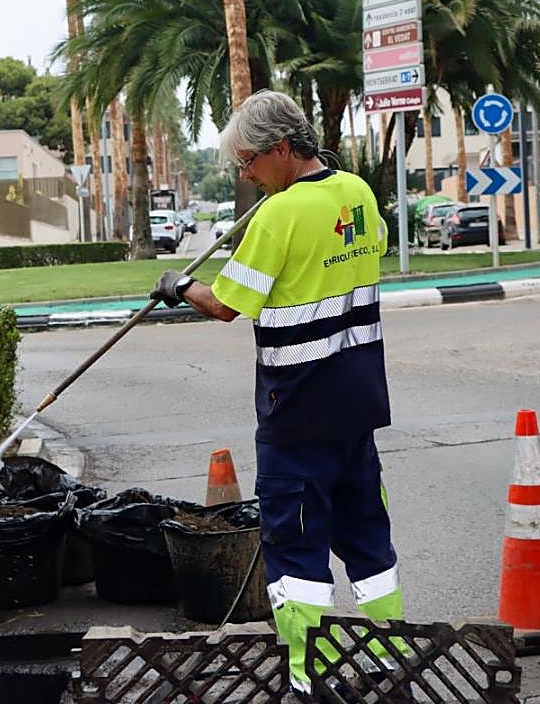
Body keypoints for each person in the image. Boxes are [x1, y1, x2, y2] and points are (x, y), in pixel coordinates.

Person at [151, 90, 402, 702]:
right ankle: (389, 660)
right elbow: (370, 246)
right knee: (368, 536)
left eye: (249, 161)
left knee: (295, 546)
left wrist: (180, 286)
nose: (245, 174)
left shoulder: (277, 216)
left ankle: (308, 676)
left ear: (283, 150)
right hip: (357, 404)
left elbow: (227, 304)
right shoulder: (359, 195)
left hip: (298, 413)